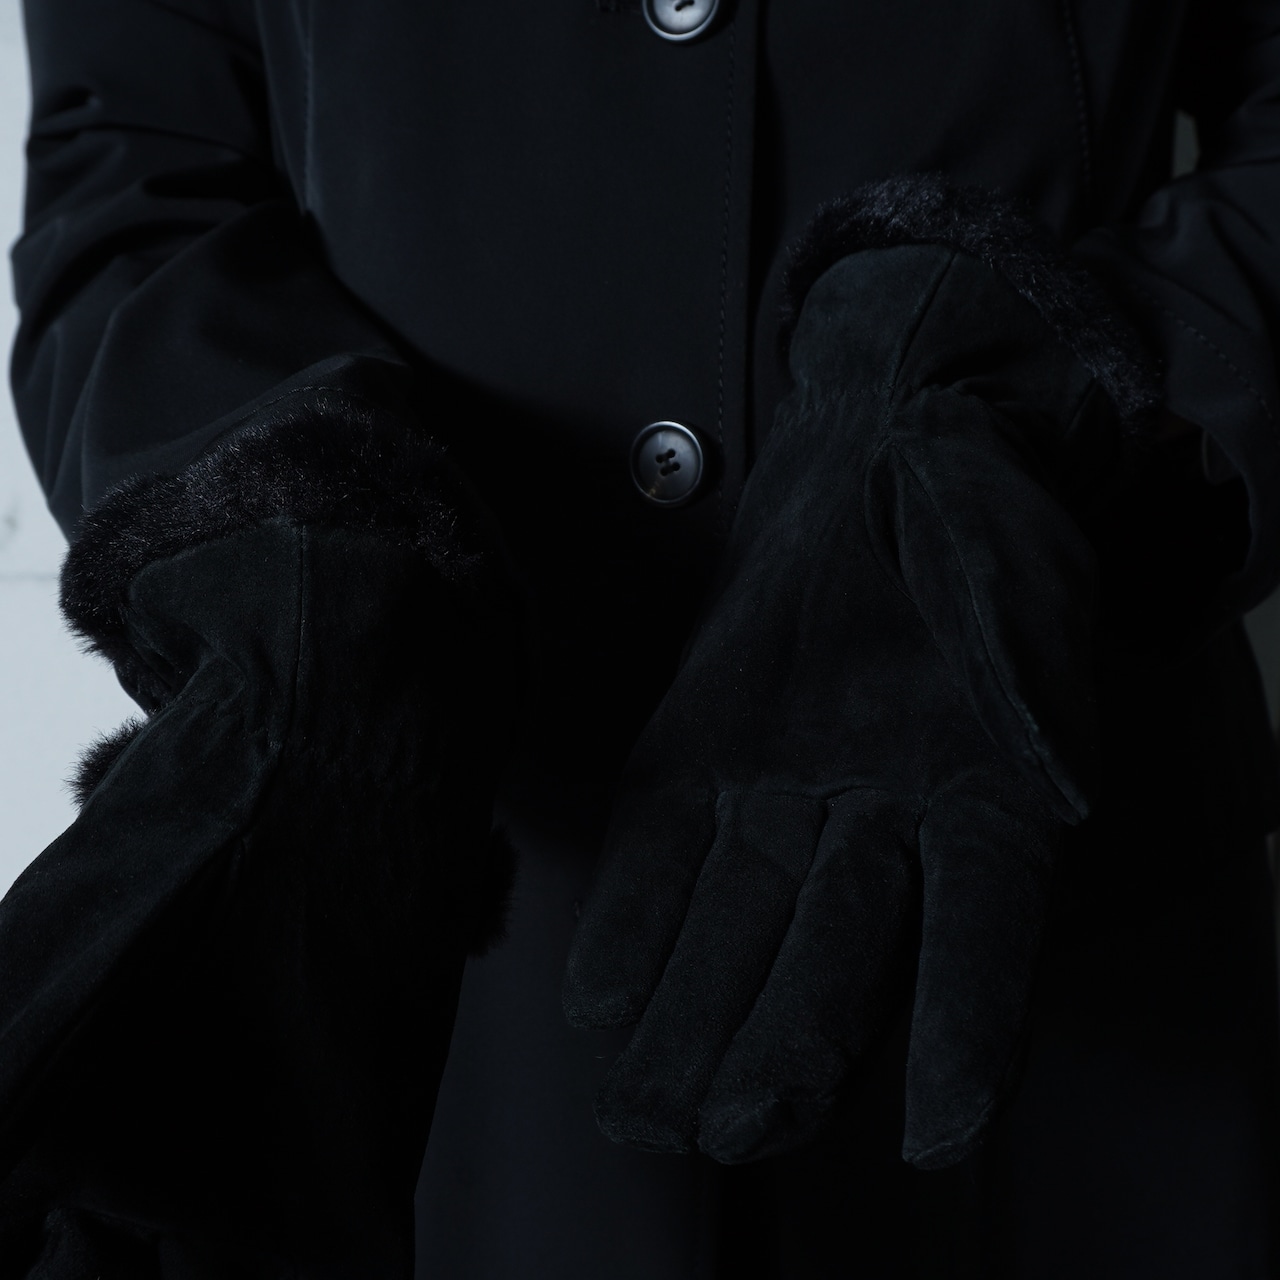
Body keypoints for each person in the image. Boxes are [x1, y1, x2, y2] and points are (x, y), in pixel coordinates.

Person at [0, 0, 1277, 1275]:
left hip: (1036, 852)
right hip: (441, 944)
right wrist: (297, 545)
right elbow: (140, 167)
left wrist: (1030, 394)